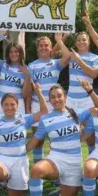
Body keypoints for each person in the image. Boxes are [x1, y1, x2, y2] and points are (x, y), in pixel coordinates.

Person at [25, 82, 98, 196]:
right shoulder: (46, 119)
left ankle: (62, 191)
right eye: (53, 97)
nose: (56, 99)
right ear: (50, 100)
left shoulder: (76, 113)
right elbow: (34, 141)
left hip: (74, 163)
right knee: (36, 170)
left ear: (65, 97)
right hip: (56, 158)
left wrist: (90, 91)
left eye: (59, 95)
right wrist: (17, 152)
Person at [53, 32, 98, 154]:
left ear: (88, 42)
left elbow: (93, 74)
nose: (81, 42)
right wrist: (60, 39)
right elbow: (56, 51)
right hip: (70, 100)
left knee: (90, 135)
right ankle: (72, 162)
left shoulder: (95, 58)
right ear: (75, 43)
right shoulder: (71, 55)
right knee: (70, 132)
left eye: (84, 40)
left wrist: (78, 60)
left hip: (87, 99)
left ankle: (92, 163)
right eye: (78, 40)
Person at [27, 34, 71, 165]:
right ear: (37, 49)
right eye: (41, 46)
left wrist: (60, 40)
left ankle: (56, 169)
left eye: (46, 45)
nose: (43, 47)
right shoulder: (32, 66)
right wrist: (28, 108)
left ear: (51, 48)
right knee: (38, 141)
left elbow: (68, 56)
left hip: (55, 106)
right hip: (37, 106)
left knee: (56, 139)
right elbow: (29, 89)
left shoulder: (56, 63)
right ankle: (38, 170)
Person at [0, 30, 32, 120]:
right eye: (11, 52)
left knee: (17, 131)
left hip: (18, 104)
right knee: (0, 130)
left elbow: (26, 94)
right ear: (8, 54)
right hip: (2, 103)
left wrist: (27, 75)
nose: (14, 54)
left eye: (16, 51)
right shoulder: (3, 65)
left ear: (21, 53)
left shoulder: (27, 69)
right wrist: (0, 37)